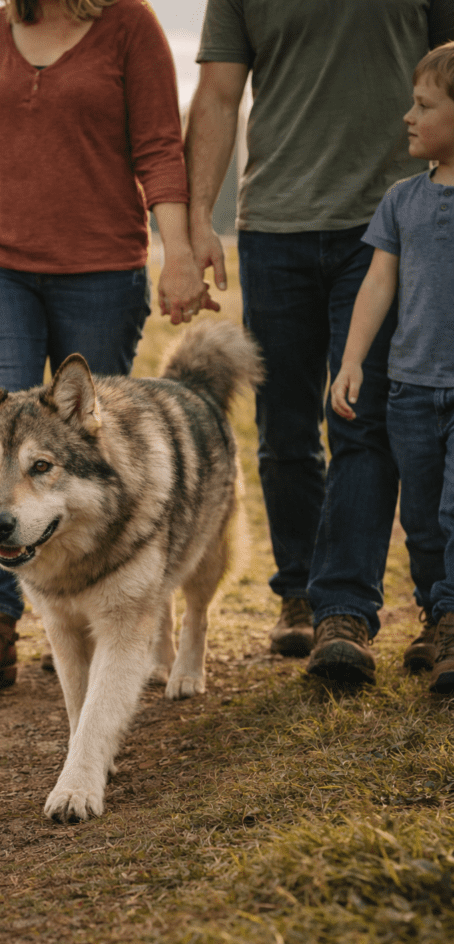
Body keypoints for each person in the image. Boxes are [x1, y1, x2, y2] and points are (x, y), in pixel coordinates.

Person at [0, 0, 213, 686]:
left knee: (86, 453)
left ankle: (111, 611)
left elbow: (157, 148)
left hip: (101, 269)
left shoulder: (128, 25)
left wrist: (176, 253)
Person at [184, 0, 454, 684]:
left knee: (360, 421)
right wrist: (196, 219)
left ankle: (347, 612)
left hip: (390, 221)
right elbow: (217, 95)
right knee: (284, 432)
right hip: (275, 224)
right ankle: (299, 594)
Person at [331, 43, 454, 693]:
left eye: (424, 105)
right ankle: (437, 620)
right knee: (425, 522)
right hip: (409, 389)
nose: (407, 116)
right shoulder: (400, 201)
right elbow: (376, 286)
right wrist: (351, 361)